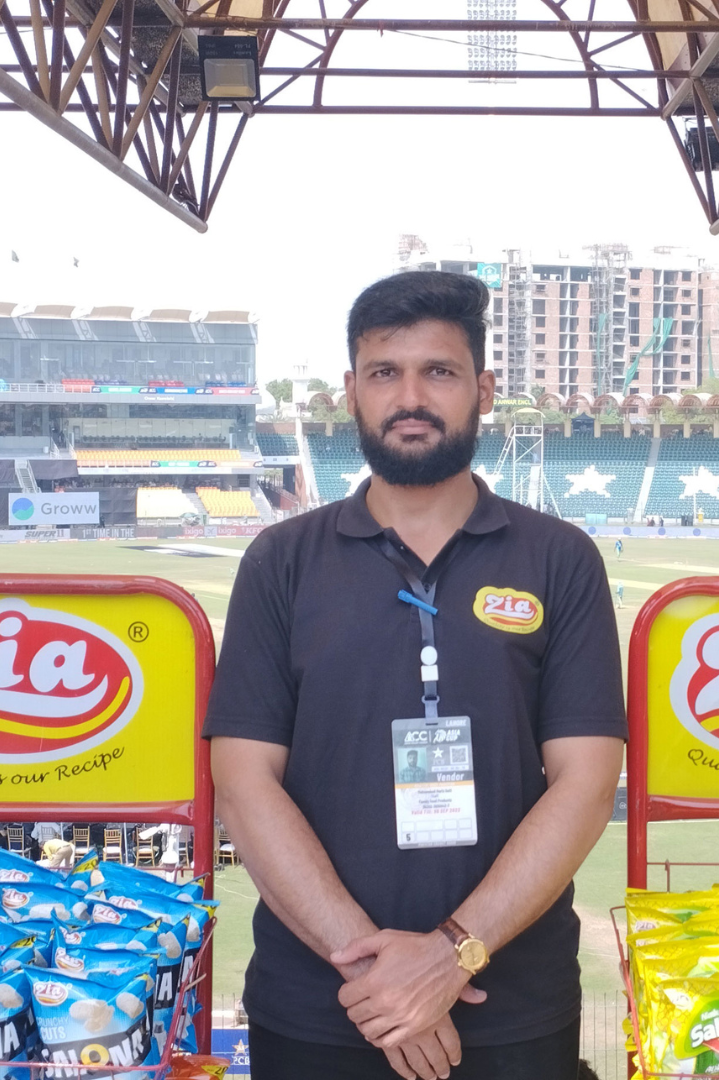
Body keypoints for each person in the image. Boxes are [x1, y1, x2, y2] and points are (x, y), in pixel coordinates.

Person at [206, 271, 627, 1080]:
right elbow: (244, 782)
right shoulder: (280, 562)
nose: (410, 397)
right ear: (352, 393)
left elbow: (585, 784)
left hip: (514, 1008)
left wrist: (452, 952)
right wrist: (378, 973)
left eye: (439, 371)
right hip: (322, 1007)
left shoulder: (560, 559)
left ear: (483, 391)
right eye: (384, 372)